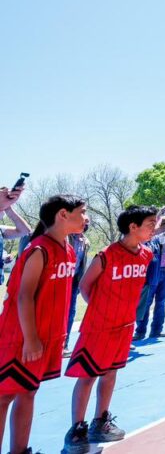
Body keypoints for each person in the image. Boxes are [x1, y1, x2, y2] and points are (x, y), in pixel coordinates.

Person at [62, 205, 157, 453]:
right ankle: (76, 430)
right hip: (99, 328)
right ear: (133, 226)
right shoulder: (106, 254)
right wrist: (101, 310)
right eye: (149, 223)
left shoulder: (146, 255)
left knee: (111, 373)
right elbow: (84, 285)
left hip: (124, 327)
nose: (153, 228)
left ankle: (100, 422)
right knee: (88, 376)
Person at [0, 194, 86, 454]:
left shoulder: (69, 249)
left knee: (28, 392)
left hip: (44, 337)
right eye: (81, 212)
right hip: (20, 337)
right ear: (63, 214)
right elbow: (24, 296)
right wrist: (31, 338)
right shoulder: (39, 249)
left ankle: (19, 450)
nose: (85, 218)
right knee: (4, 396)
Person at [134, 212, 165, 341]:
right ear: (160, 223)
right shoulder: (153, 236)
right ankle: (140, 331)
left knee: (161, 302)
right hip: (153, 271)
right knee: (146, 302)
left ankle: (156, 330)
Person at [64, 230, 90, 357]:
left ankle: (64, 345)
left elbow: (82, 264)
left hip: (74, 281)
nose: (85, 224)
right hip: (61, 279)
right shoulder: (65, 237)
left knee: (70, 313)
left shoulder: (85, 241)